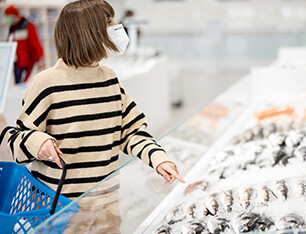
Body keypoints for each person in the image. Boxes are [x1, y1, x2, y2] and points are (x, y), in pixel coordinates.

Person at [4, 0, 184, 232]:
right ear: (88, 33)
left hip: (107, 203)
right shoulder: (47, 83)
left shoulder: (109, 78)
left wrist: (159, 159)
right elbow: (16, 139)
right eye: (109, 21)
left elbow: (131, 132)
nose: (116, 26)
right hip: (60, 208)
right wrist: (40, 143)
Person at [4, 5, 45, 84]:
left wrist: (41, 59)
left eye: (8, 17)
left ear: (14, 15)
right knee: (18, 83)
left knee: (23, 84)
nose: (6, 19)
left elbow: (36, 44)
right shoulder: (12, 28)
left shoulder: (28, 26)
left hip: (27, 62)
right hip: (16, 62)